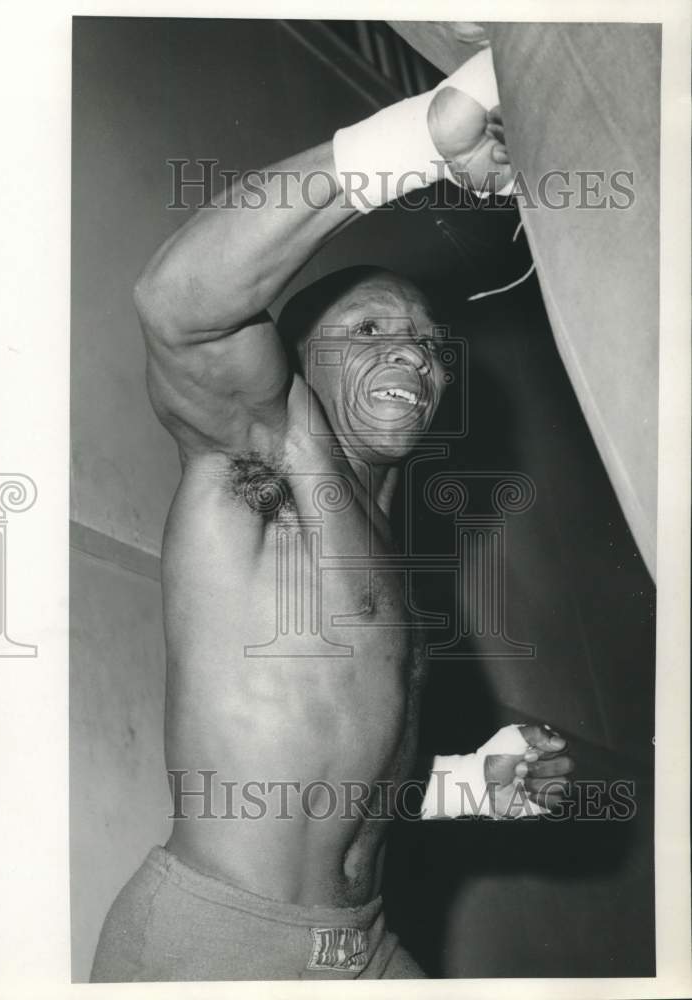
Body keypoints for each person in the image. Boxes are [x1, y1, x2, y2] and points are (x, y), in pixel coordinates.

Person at [91, 49, 573, 982]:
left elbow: (330, 782)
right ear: (296, 366)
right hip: (226, 945)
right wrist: (420, 136)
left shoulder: (386, 550)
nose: (415, 358)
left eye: (430, 347)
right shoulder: (260, 462)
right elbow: (176, 305)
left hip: (369, 942)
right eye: (370, 332)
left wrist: (470, 786)